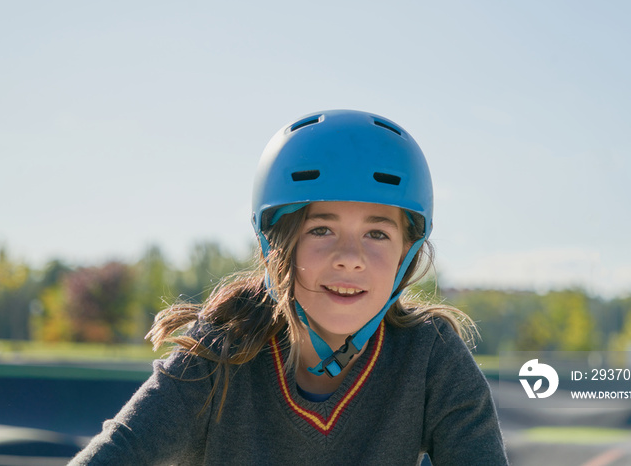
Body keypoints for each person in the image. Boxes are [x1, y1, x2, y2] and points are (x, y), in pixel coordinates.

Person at [70, 110, 508, 465]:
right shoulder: (217, 354)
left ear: (406, 254)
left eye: (377, 234)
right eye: (321, 230)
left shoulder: (429, 355)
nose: (350, 256)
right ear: (276, 244)